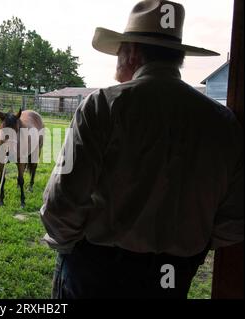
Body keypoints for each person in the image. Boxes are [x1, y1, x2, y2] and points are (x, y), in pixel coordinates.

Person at [40, 0, 243, 298]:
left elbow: (62, 202)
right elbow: (234, 219)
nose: (115, 67)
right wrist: (188, 251)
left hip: (100, 269)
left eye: (119, 52)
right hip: (172, 274)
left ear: (133, 52)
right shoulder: (222, 121)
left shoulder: (102, 106)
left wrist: (74, 248)